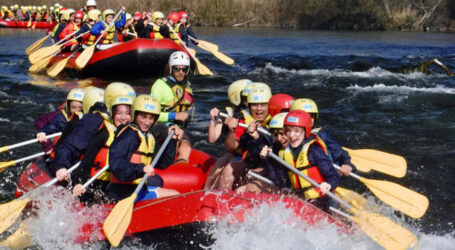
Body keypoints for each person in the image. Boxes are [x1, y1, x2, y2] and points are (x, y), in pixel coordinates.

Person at [260, 110, 340, 211]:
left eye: (297, 131)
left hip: (322, 200)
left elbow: (333, 175)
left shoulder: (314, 150)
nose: (291, 135)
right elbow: (280, 182)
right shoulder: (286, 152)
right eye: (288, 131)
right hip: (301, 201)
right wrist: (267, 159)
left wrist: (329, 184)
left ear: (305, 131)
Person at [108, 95, 182, 201]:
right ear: (135, 114)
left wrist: (171, 141)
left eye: (151, 118)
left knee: (174, 193)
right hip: (123, 192)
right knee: (175, 195)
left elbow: (163, 164)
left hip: (137, 189)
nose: (147, 122)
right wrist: (140, 168)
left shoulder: (148, 136)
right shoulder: (130, 135)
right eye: (143, 117)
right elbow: (116, 164)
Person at [71, 82, 136, 199]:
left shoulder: (136, 134)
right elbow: (85, 162)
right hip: (99, 185)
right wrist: (78, 182)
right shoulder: (105, 133)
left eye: (127, 113)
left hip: (124, 185)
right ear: (112, 114)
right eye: (119, 113)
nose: (123, 118)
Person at [216, 83, 273, 191]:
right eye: (255, 105)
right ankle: (219, 198)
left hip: (270, 165)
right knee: (229, 167)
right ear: (249, 106)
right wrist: (232, 130)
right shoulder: (243, 120)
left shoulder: (276, 122)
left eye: (263, 105)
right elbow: (232, 148)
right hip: (250, 160)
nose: (259, 109)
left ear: (269, 105)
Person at [51, 87, 108, 181]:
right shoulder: (81, 122)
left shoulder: (110, 123)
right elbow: (69, 146)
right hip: (72, 161)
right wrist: (61, 166)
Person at [203, 79, 252, 189]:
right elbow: (212, 139)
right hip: (234, 152)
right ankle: (205, 192)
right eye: (247, 97)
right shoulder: (228, 114)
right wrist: (212, 120)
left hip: (246, 155)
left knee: (227, 168)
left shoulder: (254, 114)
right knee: (216, 171)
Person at [290, 99, 355, 176]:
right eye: (304, 116)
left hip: (322, 177)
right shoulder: (286, 135)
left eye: (311, 116)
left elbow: (340, 153)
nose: (308, 120)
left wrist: (347, 164)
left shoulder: (320, 134)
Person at [150, 51, 193, 162]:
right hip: (158, 126)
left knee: (186, 147)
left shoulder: (187, 87)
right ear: (170, 69)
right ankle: (167, 164)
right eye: (176, 69)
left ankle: (180, 168)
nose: (180, 72)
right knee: (176, 135)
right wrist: (174, 116)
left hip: (177, 128)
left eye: (184, 69)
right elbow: (150, 115)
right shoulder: (159, 85)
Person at [36, 88, 85, 155]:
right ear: (68, 107)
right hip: (61, 141)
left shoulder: (87, 117)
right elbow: (46, 130)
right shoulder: (61, 119)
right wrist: (47, 146)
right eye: (73, 107)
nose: (77, 111)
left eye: (80, 108)